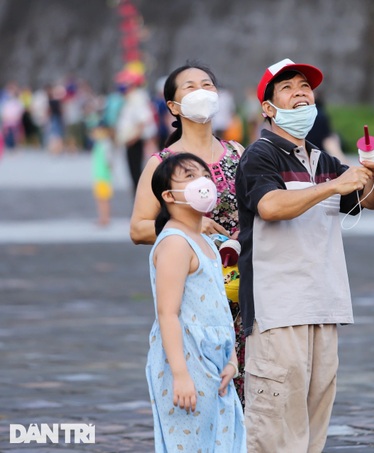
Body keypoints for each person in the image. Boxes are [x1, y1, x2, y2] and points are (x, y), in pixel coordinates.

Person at [236, 58, 374, 453]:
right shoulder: (260, 154)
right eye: (287, 88)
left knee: (313, 428)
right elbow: (270, 207)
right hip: (278, 309)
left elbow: (372, 201)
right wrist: (334, 186)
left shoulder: (322, 159)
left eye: (305, 86)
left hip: (324, 304)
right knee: (275, 432)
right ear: (269, 108)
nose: (300, 91)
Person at [129, 62, 247, 406]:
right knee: (208, 390)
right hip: (199, 291)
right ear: (173, 107)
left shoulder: (238, 153)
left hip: (244, 284)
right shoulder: (163, 162)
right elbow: (138, 227)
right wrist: (188, 229)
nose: (202, 92)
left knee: (250, 390)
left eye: (207, 84)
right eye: (190, 87)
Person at [145, 152, 246, 453]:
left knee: (222, 441)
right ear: (168, 195)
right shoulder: (175, 242)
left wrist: (231, 360)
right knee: (190, 442)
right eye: (189, 176)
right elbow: (168, 312)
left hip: (215, 362)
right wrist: (180, 375)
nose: (201, 181)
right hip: (187, 360)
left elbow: (218, 305)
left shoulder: (207, 243)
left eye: (204, 175)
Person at [115, 68, 157, 195]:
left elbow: (143, 121)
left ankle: (140, 202)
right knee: (134, 174)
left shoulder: (137, 98)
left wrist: (133, 138)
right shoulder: (130, 98)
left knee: (137, 174)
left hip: (136, 142)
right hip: (132, 141)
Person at [90, 122, 115, 226]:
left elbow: (109, 160)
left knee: (104, 199)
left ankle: (105, 218)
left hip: (104, 176)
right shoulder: (100, 143)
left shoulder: (105, 144)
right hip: (99, 175)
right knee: (100, 199)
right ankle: (102, 217)